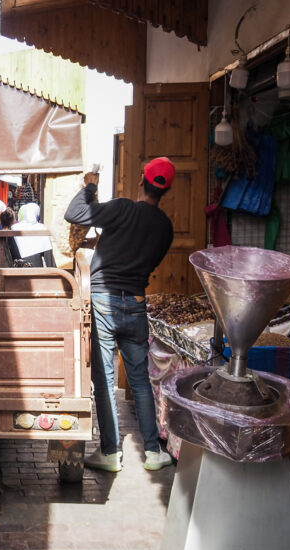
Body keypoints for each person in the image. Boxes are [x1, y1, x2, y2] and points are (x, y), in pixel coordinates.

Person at [64, 157, 176, 473]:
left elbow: (74, 214)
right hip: (136, 304)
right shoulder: (165, 227)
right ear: (166, 189)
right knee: (140, 381)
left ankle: (111, 453)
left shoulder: (124, 208)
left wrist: (90, 183)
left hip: (104, 300)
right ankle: (153, 453)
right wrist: (105, 243)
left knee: (105, 379)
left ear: (142, 179)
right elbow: (140, 254)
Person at [11, 202, 55, 267]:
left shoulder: (14, 228)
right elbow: (48, 258)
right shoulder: (41, 228)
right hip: (36, 269)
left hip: (18, 269)